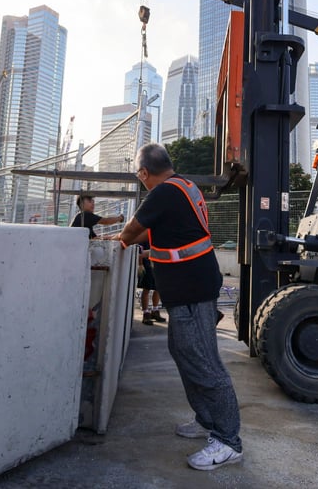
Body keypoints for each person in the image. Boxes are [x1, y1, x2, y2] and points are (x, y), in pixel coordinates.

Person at [119, 142, 243, 471]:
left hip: (192, 290)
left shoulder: (162, 192)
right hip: (188, 288)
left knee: (204, 362)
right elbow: (163, 233)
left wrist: (116, 241)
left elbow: (132, 231)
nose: (140, 180)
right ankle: (206, 419)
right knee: (183, 350)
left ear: (145, 172)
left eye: (138, 175)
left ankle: (228, 440)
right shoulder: (183, 186)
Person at [137, 243, 166, 325]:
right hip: (147, 265)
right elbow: (140, 251)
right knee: (146, 288)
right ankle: (146, 313)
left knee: (158, 288)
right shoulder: (144, 236)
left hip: (158, 264)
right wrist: (140, 264)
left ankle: (155, 310)